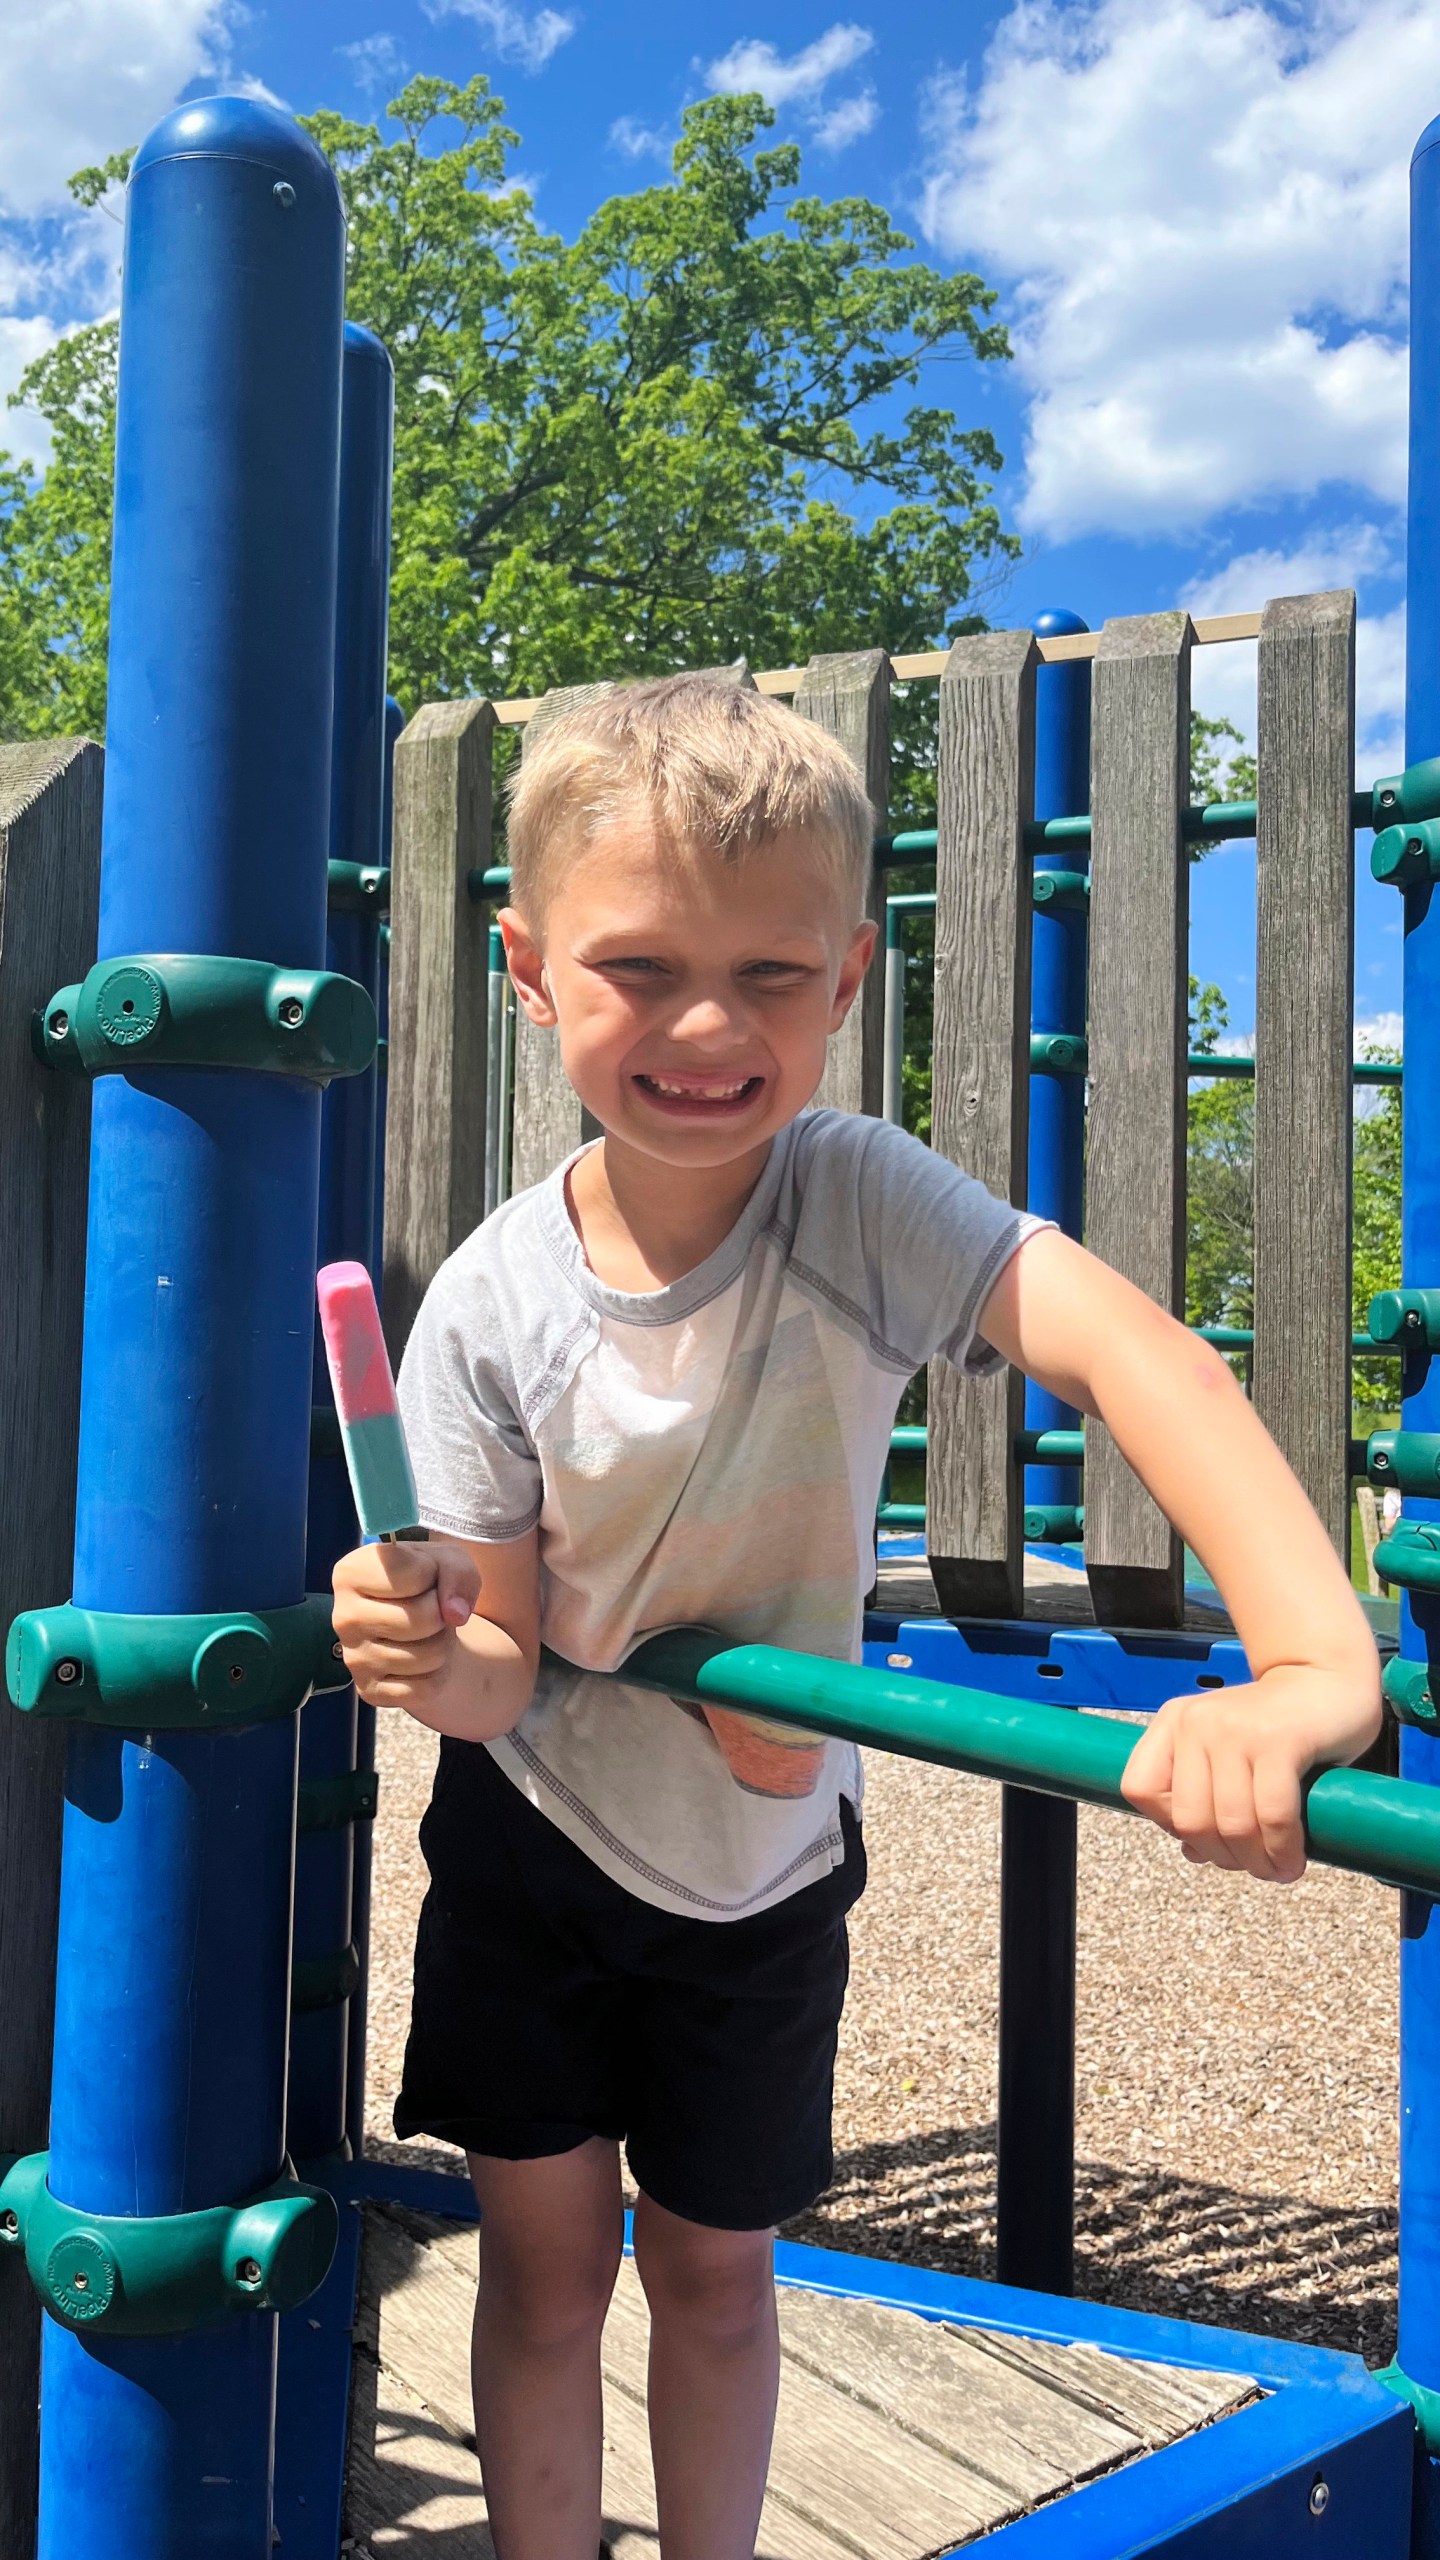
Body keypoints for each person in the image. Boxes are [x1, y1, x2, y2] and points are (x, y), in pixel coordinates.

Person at [331, 673, 1380, 2560]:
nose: (708, 1026)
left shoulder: (853, 1199)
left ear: (847, 983)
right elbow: (492, 1675)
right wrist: (424, 1648)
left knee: (719, 2277)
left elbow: (1139, 1358)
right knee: (543, 2274)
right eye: (641, 968)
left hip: (763, 1862)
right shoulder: (489, 1303)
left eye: (771, 974)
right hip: (537, 1842)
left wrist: (1310, 1668)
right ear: (530, 972)